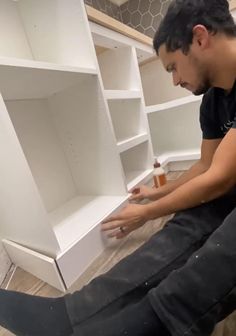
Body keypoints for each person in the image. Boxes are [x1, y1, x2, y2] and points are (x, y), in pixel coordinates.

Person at [1, 0, 236, 335]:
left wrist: (147, 212)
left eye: (172, 67)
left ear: (199, 38)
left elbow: (220, 178)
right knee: (190, 221)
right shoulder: (214, 102)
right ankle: (73, 313)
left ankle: (149, 326)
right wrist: (157, 194)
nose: (173, 80)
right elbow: (206, 166)